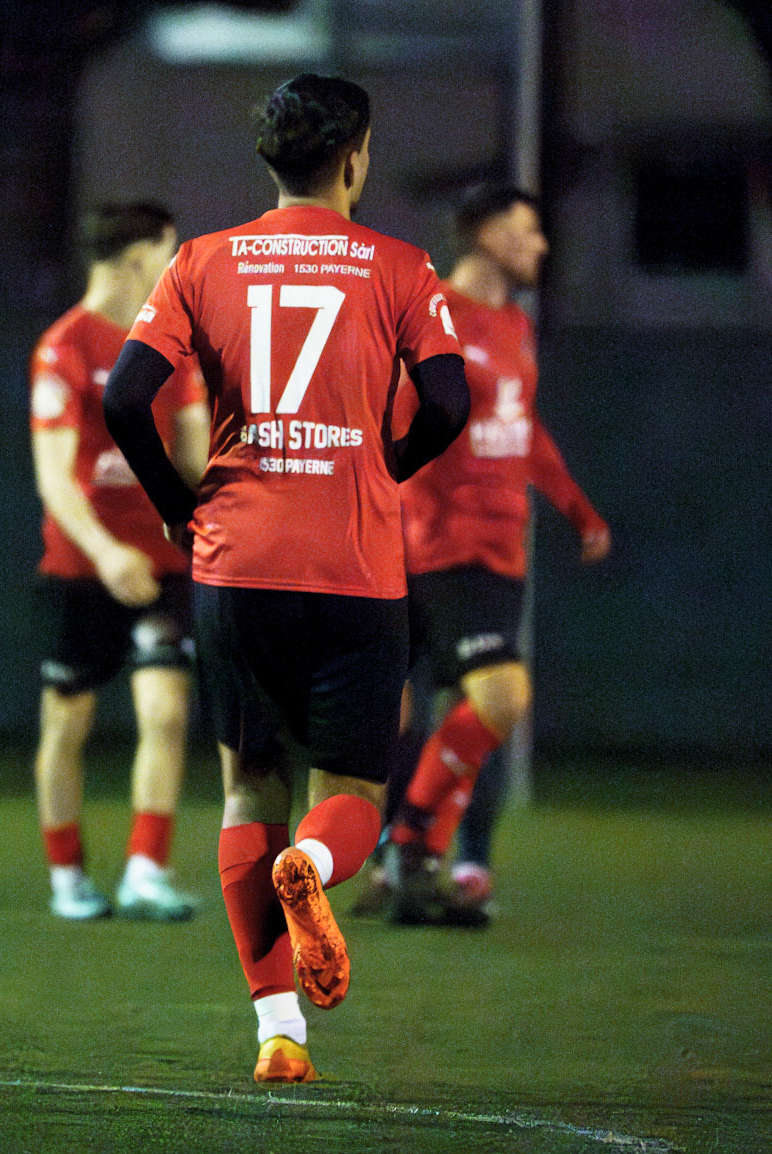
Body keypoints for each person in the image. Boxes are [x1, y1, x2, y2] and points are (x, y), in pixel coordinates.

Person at [103, 75, 469, 1082]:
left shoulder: (200, 261)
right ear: (354, 155)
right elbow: (448, 399)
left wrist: (182, 507)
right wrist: (382, 464)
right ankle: (314, 864)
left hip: (238, 562)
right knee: (349, 789)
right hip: (353, 565)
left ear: (272, 160)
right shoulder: (399, 266)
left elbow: (126, 396)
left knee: (245, 787)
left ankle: (279, 1032)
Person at [356, 176, 610, 926]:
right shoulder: (426, 311)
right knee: (407, 714)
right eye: (527, 230)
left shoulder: (513, 327)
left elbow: (520, 429)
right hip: (427, 549)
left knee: (485, 705)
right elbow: (388, 428)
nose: (539, 244)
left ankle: (429, 856)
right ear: (489, 235)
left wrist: (577, 511)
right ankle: (394, 853)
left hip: (496, 554)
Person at [30, 200, 209, 920]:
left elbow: (197, 459)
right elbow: (53, 477)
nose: (176, 267)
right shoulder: (63, 348)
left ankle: (144, 871)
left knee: (165, 711)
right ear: (139, 257)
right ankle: (68, 877)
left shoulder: (175, 349)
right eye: (169, 251)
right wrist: (104, 553)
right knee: (66, 723)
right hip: (82, 571)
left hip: (162, 566)